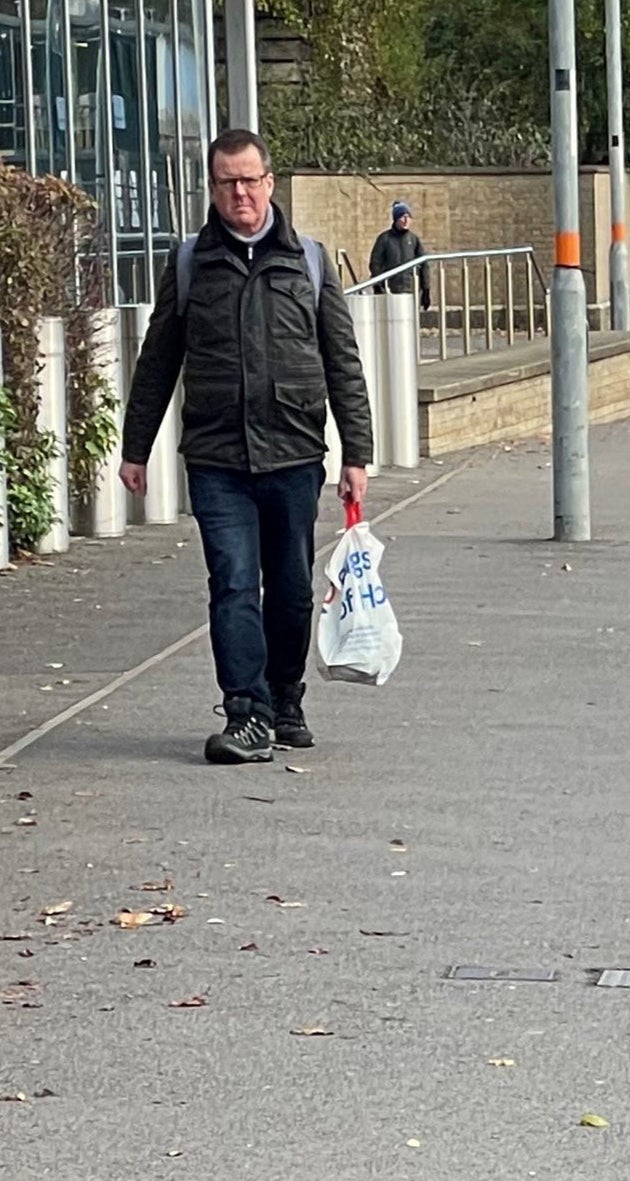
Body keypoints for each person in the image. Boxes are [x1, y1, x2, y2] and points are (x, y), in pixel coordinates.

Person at [118, 129, 373, 767]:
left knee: (288, 588)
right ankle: (247, 713)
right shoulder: (188, 263)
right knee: (232, 584)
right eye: (227, 181)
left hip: (293, 453)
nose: (240, 193)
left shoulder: (308, 261)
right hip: (216, 458)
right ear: (212, 188)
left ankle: (286, 697)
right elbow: (156, 364)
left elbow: (344, 365)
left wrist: (357, 456)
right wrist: (135, 447)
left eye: (249, 179)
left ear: (269, 183)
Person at [366, 200, 430, 304]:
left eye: (408, 217)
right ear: (396, 219)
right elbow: (375, 263)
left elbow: (424, 265)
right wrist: (378, 285)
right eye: (402, 217)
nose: (405, 220)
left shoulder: (414, 239)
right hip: (390, 290)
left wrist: (426, 289)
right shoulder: (385, 239)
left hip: (410, 289)